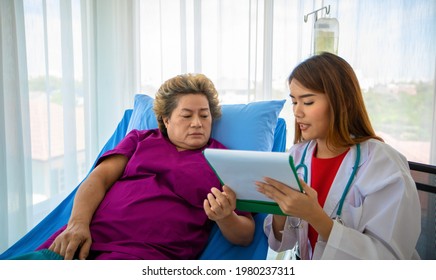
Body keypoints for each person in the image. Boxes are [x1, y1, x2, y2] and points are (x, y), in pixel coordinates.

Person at [24, 73, 255, 260]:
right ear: (166, 120)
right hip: (83, 240)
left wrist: (225, 217)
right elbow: (98, 179)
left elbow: (245, 234)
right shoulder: (140, 139)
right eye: (186, 115)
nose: (197, 123)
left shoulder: (224, 159)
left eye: (204, 116)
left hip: (145, 256)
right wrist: (77, 225)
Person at [256, 52, 421, 260]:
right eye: (294, 102)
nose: (297, 112)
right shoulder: (295, 156)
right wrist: (281, 210)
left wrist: (314, 215)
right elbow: (281, 243)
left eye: (307, 102)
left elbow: (388, 258)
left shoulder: (384, 164)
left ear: (342, 103)